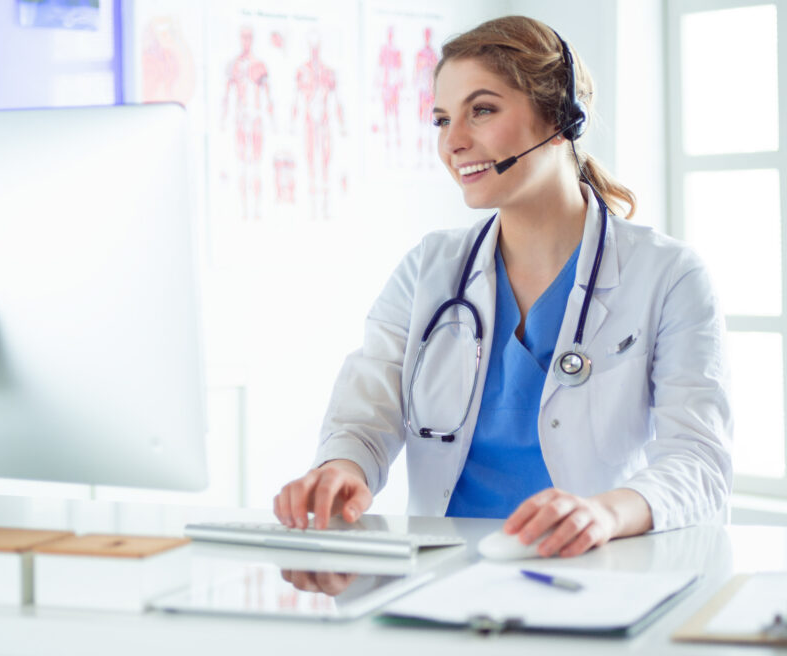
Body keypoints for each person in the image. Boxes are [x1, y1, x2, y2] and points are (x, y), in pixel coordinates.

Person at [274, 16, 732, 558]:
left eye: (482, 110)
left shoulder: (668, 275)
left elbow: (699, 463)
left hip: (594, 572)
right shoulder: (429, 269)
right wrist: (343, 467)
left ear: (562, 117)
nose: (454, 142)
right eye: (442, 120)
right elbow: (366, 410)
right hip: (441, 576)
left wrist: (605, 511)